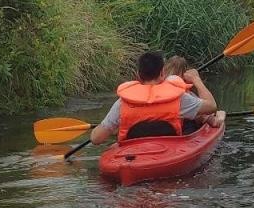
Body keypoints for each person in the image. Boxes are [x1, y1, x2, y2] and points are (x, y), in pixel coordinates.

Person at [88, 50, 224, 147]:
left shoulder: (122, 103)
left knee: (112, 147)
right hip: (169, 152)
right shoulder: (179, 98)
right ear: (162, 73)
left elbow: (96, 139)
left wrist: (114, 126)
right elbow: (212, 106)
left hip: (133, 154)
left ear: (138, 75)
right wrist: (196, 79)